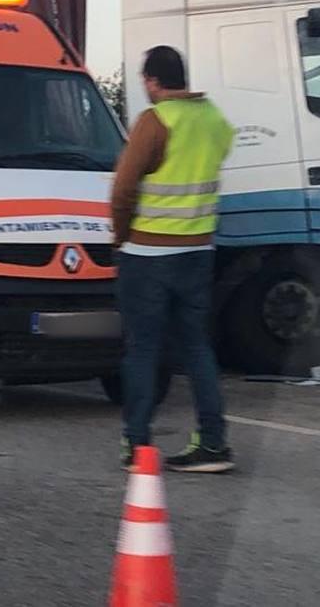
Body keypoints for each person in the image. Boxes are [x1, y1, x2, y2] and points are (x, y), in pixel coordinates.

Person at [111, 45, 236, 473]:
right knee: (197, 347)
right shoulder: (214, 120)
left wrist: (121, 236)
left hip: (147, 254)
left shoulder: (154, 122)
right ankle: (214, 444)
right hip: (198, 252)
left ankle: (139, 445)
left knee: (143, 349)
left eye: (145, 81)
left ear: (152, 81)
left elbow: (124, 187)